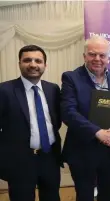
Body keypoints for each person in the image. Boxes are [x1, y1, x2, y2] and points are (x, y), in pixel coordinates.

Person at [60, 35, 110, 201]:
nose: (97, 59)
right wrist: (98, 132)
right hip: (83, 149)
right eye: (92, 54)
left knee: (108, 196)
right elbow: (68, 113)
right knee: (84, 196)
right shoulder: (71, 78)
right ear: (84, 55)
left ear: (108, 57)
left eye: (102, 55)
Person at [0, 45, 62, 201]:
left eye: (38, 61)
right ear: (19, 63)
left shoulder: (53, 89)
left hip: (50, 158)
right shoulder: (4, 90)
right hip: (20, 161)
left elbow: (56, 121)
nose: (33, 64)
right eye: (27, 60)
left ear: (45, 65)